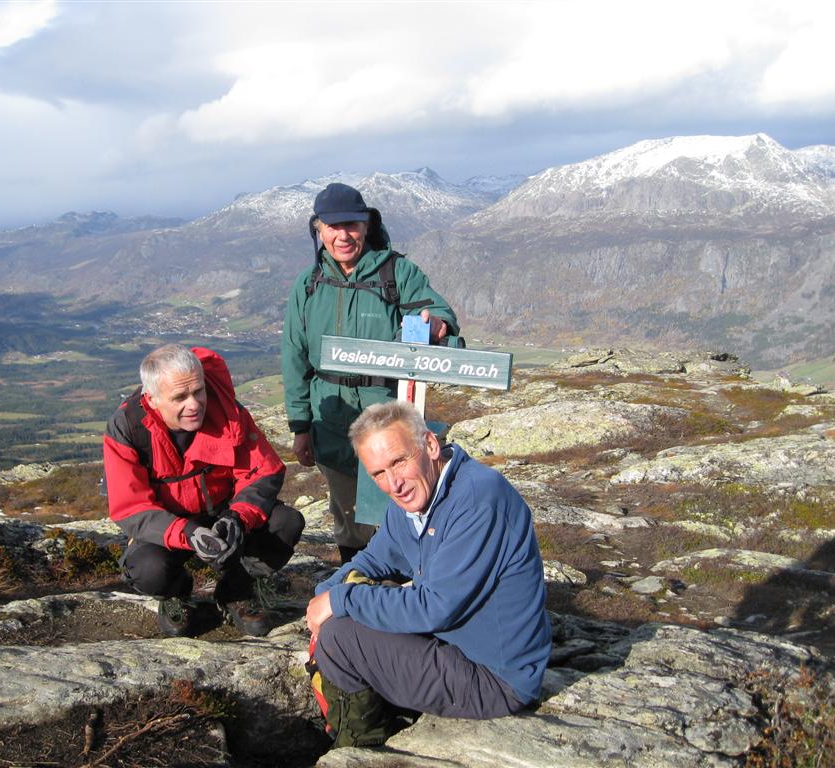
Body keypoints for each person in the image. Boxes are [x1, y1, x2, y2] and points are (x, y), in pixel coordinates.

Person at [305, 401, 552, 748]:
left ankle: (362, 744)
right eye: (378, 473)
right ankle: (381, 714)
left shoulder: (478, 499)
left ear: (431, 445)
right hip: (453, 646)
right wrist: (325, 592)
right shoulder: (414, 500)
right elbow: (374, 560)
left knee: (341, 638)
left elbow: (434, 607)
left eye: (399, 461)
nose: (394, 483)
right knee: (347, 611)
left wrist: (339, 600)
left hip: (497, 678)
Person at [282, 182, 460, 564]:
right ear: (318, 230)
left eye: (351, 225)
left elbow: (437, 312)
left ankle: (407, 583)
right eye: (333, 227)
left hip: (388, 417)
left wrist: (436, 325)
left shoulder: (397, 273)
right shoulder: (309, 285)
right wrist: (300, 426)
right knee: (347, 514)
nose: (343, 235)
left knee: (399, 507)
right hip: (331, 423)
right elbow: (295, 357)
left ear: (366, 226)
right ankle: (357, 580)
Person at [103, 344, 304, 637]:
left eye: (199, 391)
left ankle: (236, 590)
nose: (194, 404)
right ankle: (176, 594)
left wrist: (238, 518)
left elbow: (263, 470)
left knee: (286, 523)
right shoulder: (128, 428)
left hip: (223, 511)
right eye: (180, 397)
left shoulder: (226, 410)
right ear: (152, 399)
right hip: (168, 525)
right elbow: (130, 506)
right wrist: (187, 533)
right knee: (148, 569)